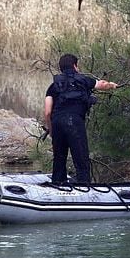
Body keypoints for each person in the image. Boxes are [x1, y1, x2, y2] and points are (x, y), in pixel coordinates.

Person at [44, 53, 118, 183]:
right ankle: (85, 189)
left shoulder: (53, 86)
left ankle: (57, 186)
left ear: (61, 68)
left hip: (57, 123)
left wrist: (51, 131)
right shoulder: (83, 80)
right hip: (75, 122)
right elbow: (102, 85)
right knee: (81, 158)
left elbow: (47, 112)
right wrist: (112, 85)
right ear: (75, 66)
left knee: (59, 158)